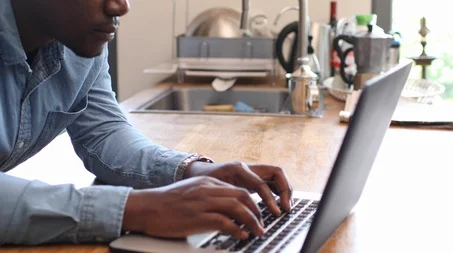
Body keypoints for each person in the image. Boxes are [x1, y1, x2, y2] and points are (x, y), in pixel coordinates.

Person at [0, 0, 293, 245]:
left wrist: (193, 170)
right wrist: (135, 209)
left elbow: (104, 133)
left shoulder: (77, 42)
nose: (121, 6)